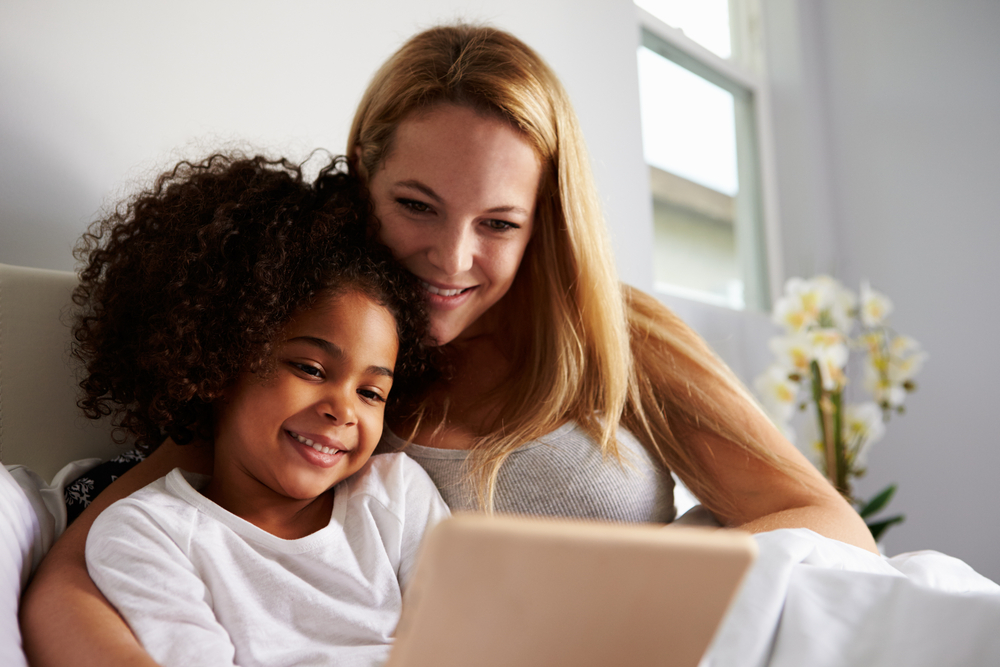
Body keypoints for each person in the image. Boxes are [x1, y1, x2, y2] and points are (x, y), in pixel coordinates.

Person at [20, 23, 876, 667]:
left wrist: (641, 578)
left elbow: (830, 524)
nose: (450, 259)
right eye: (417, 205)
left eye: (498, 223)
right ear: (365, 173)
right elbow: (70, 579)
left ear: (543, 221)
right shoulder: (304, 352)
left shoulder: (614, 337)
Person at [74, 153, 450, 666]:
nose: (343, 410)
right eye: (312, 370)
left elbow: (468, 644)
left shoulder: (396, 498)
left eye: (371, 393)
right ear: (220, 362)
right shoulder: (147, 532)